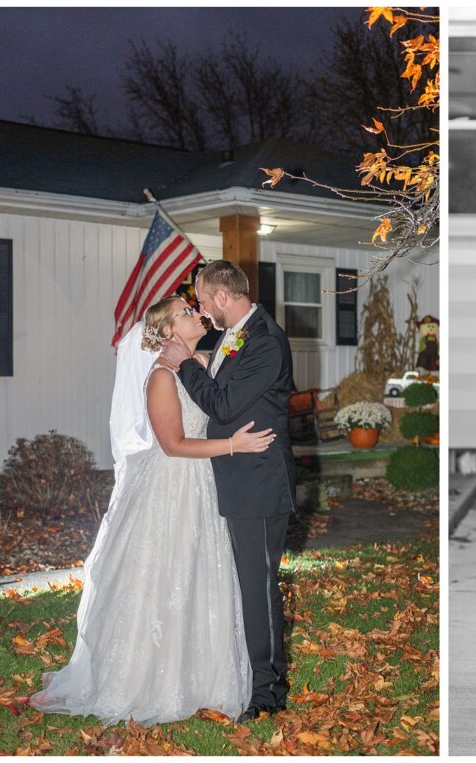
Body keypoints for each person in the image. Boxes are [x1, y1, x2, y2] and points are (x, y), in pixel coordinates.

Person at [31, 296, 275, 725]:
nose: (196, 314)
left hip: (203, 486)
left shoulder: (198, 361)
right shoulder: (161, 376)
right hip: (172, 487)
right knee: (165, 578)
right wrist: (236, 445)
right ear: (166, 332)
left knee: (202, 578)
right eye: (185, 312)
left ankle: (205, 678)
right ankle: (147, 682)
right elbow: (173, 445)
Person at [160, 260, 296, 723]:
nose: (200, 309)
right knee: (240, 586)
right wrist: (194, 358)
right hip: (230, 478)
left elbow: (222, 403)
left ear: (221, 298)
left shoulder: (264, 341)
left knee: (258, 589)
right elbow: (218, 381)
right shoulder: (234, 334)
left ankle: (268, 694)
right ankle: (244, 675)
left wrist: (182, 365)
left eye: (201, 300)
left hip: (257, 481)